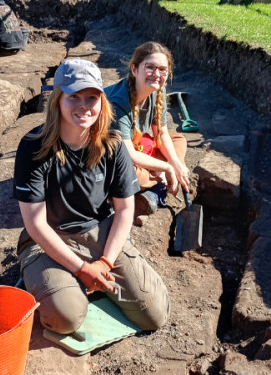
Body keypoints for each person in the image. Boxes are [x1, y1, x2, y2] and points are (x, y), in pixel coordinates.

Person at [13, 58, 170, 335]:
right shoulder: (33, 147)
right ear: (58, 100)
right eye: (74, 97)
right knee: (66, 318)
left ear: (102, 101)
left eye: (92, 97)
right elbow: (35, 224)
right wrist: (82, 268)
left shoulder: (112, 144)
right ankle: (47, 277)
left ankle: (83, 280)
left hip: (98, 233)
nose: (84, 105)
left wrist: (104, 262)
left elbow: (124, 210)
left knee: (154, 316)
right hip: (49, 238)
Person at [104, 41, 190, 216]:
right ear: (134, 70)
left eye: (162, 69)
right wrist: (167, 168)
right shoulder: (118, 102)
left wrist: (176, 163)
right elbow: (128, 155)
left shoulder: (157, 91)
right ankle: (156, 189)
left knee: (178, 140)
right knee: (126, 172)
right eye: (150, 67)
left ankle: (152, 189)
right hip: (107, 155)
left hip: (134, 144)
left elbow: (162, 132)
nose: (156, 74)